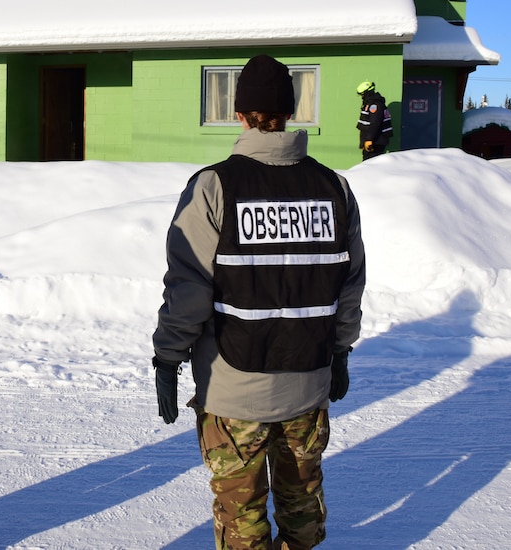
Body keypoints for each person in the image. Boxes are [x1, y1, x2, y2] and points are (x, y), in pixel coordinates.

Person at [153, 55, 366, 550]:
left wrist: (167, 357)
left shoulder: (215, 186)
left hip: (234, 393)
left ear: (239, 113)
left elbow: (189, 289)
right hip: (308, 383)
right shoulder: (334, 188)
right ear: (289, 113)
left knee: (242, 524)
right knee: (302, 514)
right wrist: (340, 350)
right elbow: (349, 283)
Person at [355, 81, 393, 160]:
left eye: (362, 94)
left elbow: (375, 123)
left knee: (370, 163)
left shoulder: (375, 105)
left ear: (367, 93)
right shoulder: (370, 103)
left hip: (376, 141)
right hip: (372, 140)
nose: (362, 97)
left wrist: (369, 140)